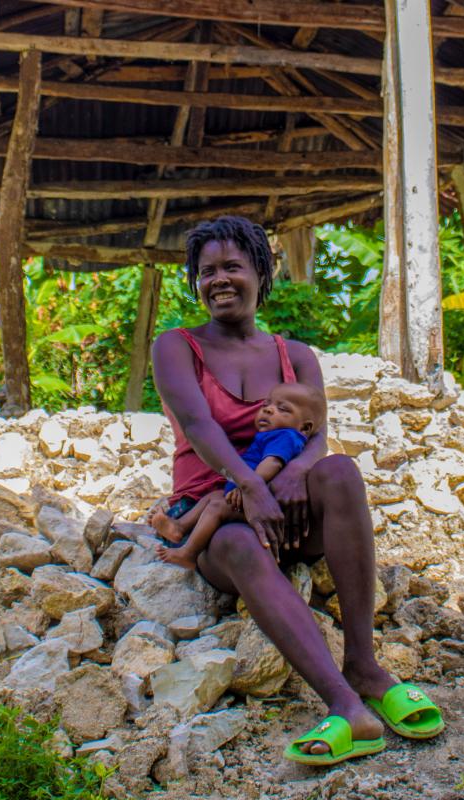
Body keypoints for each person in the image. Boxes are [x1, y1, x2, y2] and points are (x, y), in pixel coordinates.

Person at [152, 216, 445, 766]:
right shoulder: (175, 346)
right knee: (237, 543)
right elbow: (197, 424)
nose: (219, 279)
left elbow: (317, 438)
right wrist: (249, 486)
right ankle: (341, 701)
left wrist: (287, 478)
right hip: (214, 512)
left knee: (339, 472)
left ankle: (364, 663)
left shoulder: (298, 357)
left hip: (285, 507)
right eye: (206, 270)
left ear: (261, 273)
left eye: (232, 267)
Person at [150, 381, 325, 571]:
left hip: (262, 501)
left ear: (305, 428)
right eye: (266, 405)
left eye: (282, 409)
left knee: (217, 507)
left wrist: (247, 486)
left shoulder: (287, 437)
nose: (268, 411)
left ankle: (189, 553)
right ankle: (179, 527)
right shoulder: (275, 435)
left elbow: (272, 463)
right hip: (248, 492)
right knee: (213, 497)